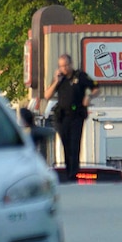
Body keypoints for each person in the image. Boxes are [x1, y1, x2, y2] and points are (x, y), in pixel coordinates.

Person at [43, 54, 98, 182]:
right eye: (61, 66)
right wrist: (56, 80)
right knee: (66, 145)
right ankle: (69, 171)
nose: (64, 68)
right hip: (62, 117)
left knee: (74, 145)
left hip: (76, 116)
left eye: (66, 65)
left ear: (71, 64)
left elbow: (96, 88)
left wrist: (89, 97)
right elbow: (47, 95)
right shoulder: (59, 79)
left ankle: (73, 173)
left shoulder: (80, 76)